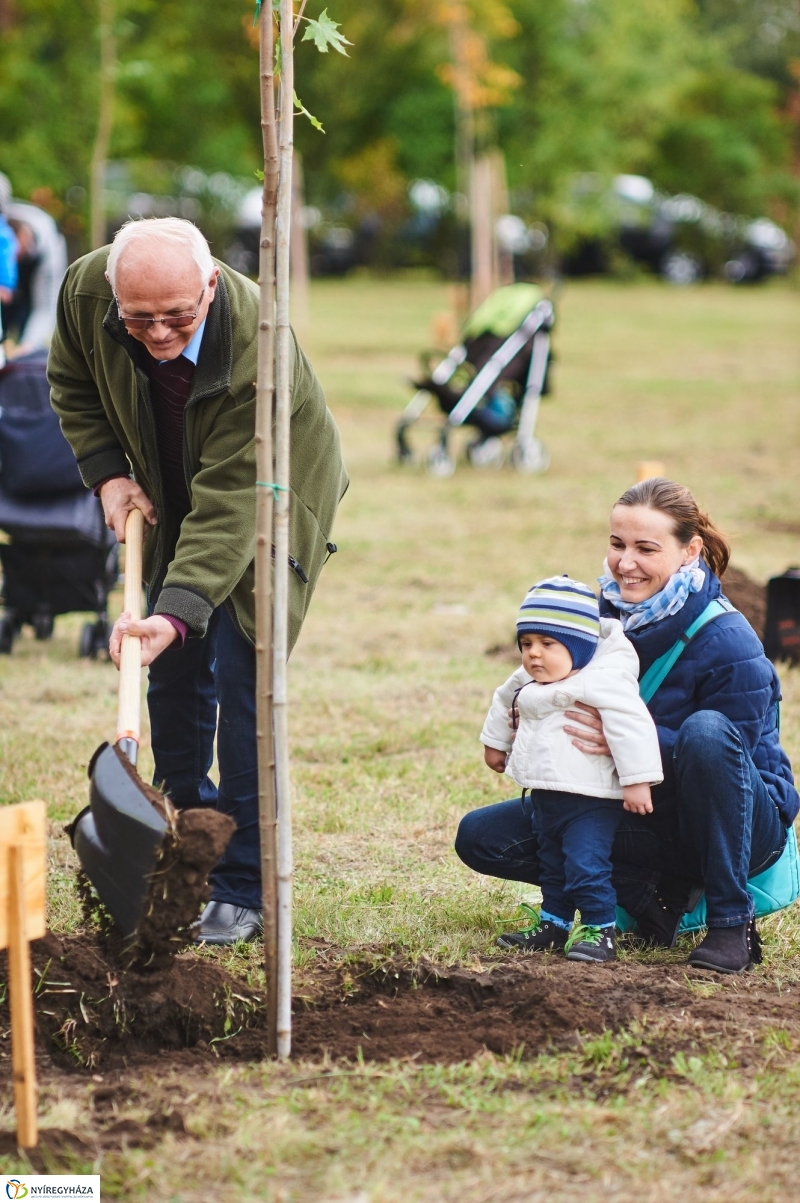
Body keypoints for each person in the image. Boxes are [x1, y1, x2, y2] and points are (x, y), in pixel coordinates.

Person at [48, 216, 348, 945]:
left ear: (211, 284)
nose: (158, 333)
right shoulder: (87, 292)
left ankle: (244, 885)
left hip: (271, 490)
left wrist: (176, 613)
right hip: (167, 471)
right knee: (173, 672)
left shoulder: (258, 347)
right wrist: (109, 473)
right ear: (114, 295)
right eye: (139, 318)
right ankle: (185, 838)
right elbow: (73, 381)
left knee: (245, 675)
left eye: (177, 317)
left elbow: (234, 502)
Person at [456, 478, 799, 974]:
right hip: (634, 804)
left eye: (646, 548)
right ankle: (652, 897)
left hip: (735, 824)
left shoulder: (729, 640)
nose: (626, 562)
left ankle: (731, 922)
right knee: (482, 836)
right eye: (618, 544)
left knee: (706, 731)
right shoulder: (593, 622)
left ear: (689, 551)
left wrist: (627, 744)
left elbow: (728, 765)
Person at [483, 576, 663, 963]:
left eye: (548, 644)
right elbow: (503, 701)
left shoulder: (602, 681)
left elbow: (632, 726)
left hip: (590, 800)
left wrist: (637, 781)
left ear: (578, 647)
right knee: (552, 865)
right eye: (526, 644)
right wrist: (495, 744)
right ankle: (554, 924)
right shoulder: (527, 679)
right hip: (546, 794)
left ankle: (600, 929)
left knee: (586, 866)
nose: (534, 654)